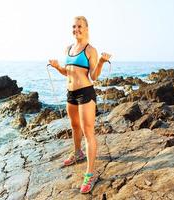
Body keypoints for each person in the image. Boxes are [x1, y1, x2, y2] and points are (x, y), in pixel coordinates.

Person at [48, 16, 111, 194]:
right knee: (75, 126)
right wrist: (56, 66)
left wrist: (100, 62)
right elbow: (66, 72)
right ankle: (78, 153)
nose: (76, 29)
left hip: (85, 93)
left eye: (80, 26)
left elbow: (94, 76)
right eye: (74, 26)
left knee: (88, 131)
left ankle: (90, 173)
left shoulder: (91, 50)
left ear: (87, 28)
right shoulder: (68, 48)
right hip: (71, 93)